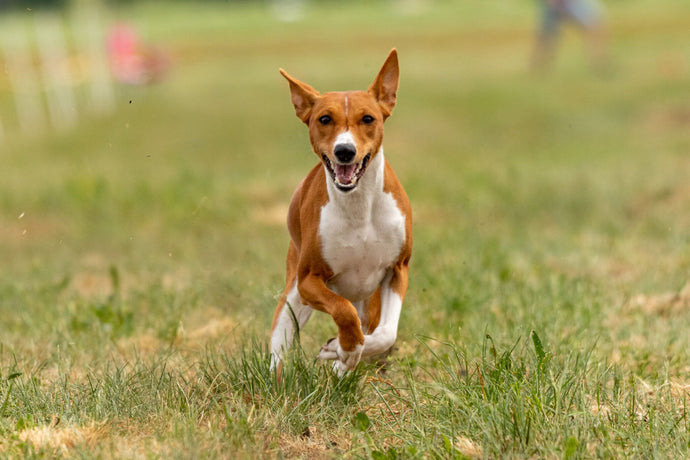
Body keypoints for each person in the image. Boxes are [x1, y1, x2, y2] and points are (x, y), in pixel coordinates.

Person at [532, 0, 608, 71]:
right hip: (555, 4)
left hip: (571, 3)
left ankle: (598, 62)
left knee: (594, 25)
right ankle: (539, 65)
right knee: (547, 36)